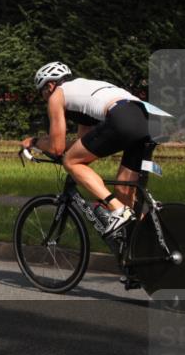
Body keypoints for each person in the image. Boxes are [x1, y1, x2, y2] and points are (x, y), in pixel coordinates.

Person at [22, 62, 152, 237]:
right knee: (123, 191)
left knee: (70, 162)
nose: (43, 97)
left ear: (50, 85)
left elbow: (57, 148)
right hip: (148, 118)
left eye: (42, 92)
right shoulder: (85, 89)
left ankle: (117, 209)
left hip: (122, 117)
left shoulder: (57, 95)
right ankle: (147, 241)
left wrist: (35, 142)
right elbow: (81, 144)